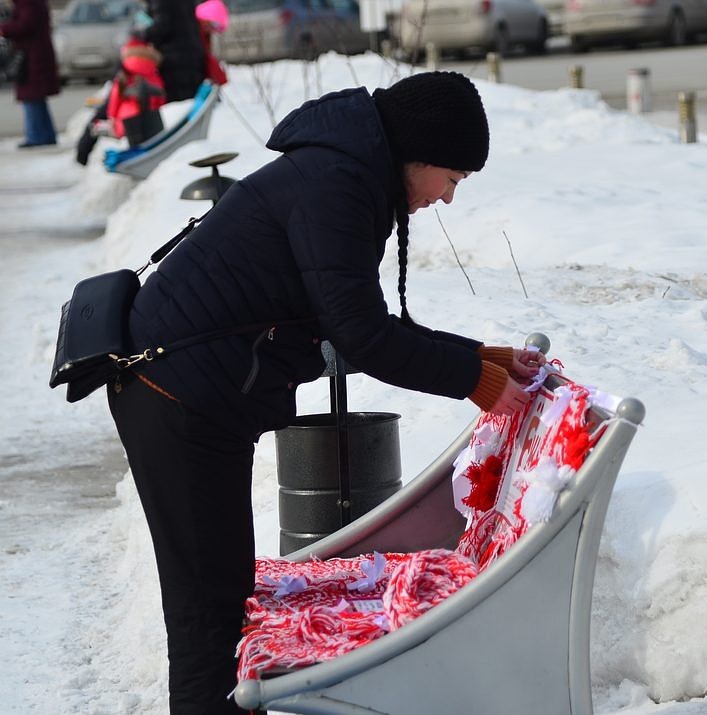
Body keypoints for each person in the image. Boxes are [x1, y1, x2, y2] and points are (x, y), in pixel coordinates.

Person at [106, 71, 544, 713]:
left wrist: (481, 356)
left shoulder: (347, 174)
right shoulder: (336, 187)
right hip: (176, 398)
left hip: (194, 396)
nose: (447, 199)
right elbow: (363, 336)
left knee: (222, 597)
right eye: (452, 180)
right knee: (207, 609)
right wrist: (475, 383)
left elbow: (359, 320)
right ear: (417, 157)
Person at [0, 0, 60, 148]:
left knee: (31, 97)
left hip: (32, 58)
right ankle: (45, 135)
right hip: (34, 56)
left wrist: (3, 29)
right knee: (36, 99)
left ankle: (36, 136)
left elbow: (25, 26)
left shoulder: (28, 3)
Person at [104, 38, 166, 145]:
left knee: (131, 146)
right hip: (151, 119)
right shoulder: (153, 73)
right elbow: (161, 96)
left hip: (126, 118)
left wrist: (112, 117)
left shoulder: (124, 75)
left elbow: (115, 99)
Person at [143, 0, 204, 101]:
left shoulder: (160, 2)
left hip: (174, 60)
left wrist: (142, 34)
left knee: (178, 103)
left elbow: (161, 27)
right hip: (191, 54)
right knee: (190, 100)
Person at [195, 0, 228, 86]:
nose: (213, 29)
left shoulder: (204, 34)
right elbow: (206, 57)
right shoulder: (196, 33)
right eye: (214, 24)